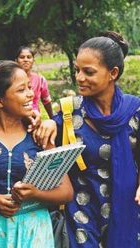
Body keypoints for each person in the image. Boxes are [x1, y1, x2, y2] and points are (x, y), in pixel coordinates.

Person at [36, 31, 140, 247]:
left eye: (88, 72)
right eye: (77, 70)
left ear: (113, 73)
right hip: (81, 213)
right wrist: (48, 123)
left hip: (127, 206)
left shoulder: (134, 111)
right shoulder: (69, 112)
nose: (79, 78)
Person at [0, 60, 73, 247]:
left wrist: (35, 193)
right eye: (21, 90)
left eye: (29, 87)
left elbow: (66, 192)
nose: (30, 94)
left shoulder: (38, 134)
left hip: (33, 232)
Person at [16, 46, 53, 118]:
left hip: (35, 119)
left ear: (33, 61)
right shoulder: (11, 80)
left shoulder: (40, 80)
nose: (25, 60)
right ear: (16, 60)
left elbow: (47, 101)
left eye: (29, 57)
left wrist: (52, 118)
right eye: (22, 57)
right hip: (16, 120)